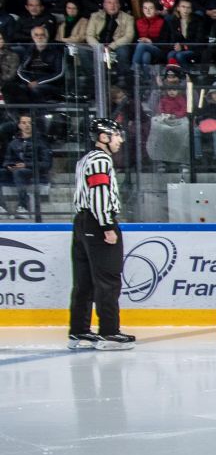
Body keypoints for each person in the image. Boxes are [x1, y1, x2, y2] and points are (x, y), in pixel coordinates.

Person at [69, 118, 135, 351]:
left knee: (84, 281)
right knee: (108, 279)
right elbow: (99, 194)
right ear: (104, 137)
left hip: (82, 222)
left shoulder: (85, 159)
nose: (120, 140)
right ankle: (109, 332)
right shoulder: (100, 159)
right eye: (116, 135)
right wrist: (107, 226)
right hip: (98, 222)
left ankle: (79, 331)